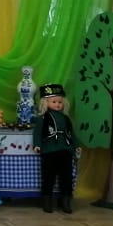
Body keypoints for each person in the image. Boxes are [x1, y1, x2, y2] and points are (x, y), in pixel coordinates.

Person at [32, 83, 77, 213]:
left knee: (66, 177)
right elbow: (37, 133)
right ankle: (47, 202)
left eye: (60, 102)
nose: (57, 104)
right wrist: (37, 145)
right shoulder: (43, 118)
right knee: (48, 176)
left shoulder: (66, 118)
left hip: (65, 151)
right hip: (49, 151)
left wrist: (76, 145)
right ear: (46, 103)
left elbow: (71, 134)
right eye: (54, 102)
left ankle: (66, 202)